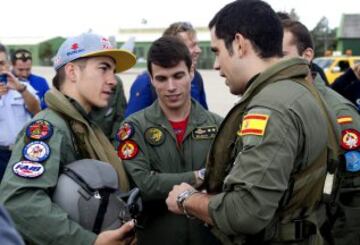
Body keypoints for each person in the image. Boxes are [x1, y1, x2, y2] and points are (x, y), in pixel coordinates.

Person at [166, 0, 335, 244]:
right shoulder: (306, 92)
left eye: (217, 51)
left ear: (239, 44)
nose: (216, 66)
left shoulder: (271, 108)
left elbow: (246, 212)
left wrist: (187, 199)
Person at [0, 32, 137, 244]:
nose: (113, 80)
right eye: (103, 68)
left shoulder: (85, 125)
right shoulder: (49, 128)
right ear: (72, 71)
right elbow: (19, 202)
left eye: (113, 71)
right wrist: (90, 241)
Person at [118, 36, 222, 245]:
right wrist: (200, 175)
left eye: (178, 75)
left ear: (191, 72)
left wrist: (163, 179)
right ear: (151, 78)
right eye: (162, 78)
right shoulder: (133, 128)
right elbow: (143, 184)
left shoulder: (218, 126)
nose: (171, 86)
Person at [281, 17, 360, 244]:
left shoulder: (339, 115)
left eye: (282, 56)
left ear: (307, 56)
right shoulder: (277, 105)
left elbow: (353, 200)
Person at [125, 21, 208, 117]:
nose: (198, 50)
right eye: (193, 45)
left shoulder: (196, 78)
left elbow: (204, 116)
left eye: (179, 76)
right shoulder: (145, 82)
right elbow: (133, 123)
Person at [0, 43, 40, 182]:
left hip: (22, 153)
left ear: (9, 64)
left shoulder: (23, 86)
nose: (1, 68)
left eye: (2, 63)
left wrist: (21, 90)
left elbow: (37, 111)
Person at [91, 75, 128, 143]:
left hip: (106, 141)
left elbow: (120, 116)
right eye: (103, 68)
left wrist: (115, 142)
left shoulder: (116, 83)